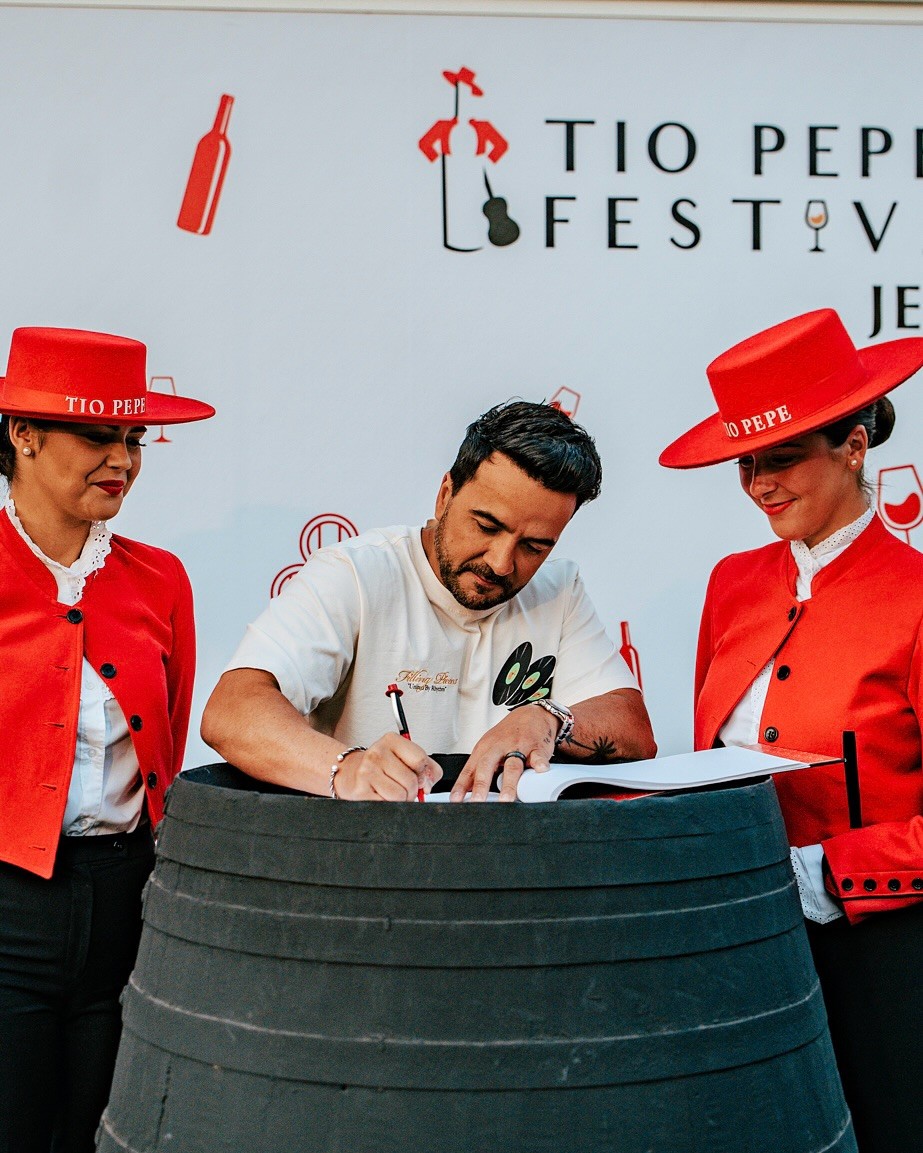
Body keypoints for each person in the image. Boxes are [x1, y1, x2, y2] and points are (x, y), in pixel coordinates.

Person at [659, 307, 923, 1153]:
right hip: (740, 945)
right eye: (746, 463)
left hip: (887, 960)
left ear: (854, 445)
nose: (758, 484)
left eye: (781, 457)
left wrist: (827, 873)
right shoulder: (730, 582)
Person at [202, 399, 656, 803]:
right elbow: (231, 711)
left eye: (534, 546)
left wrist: (548, 718)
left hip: (507, 859)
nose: (501, 563)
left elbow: (634, 730)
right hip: (366, 854)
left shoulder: (559, 589)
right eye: (487, 526)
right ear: (445, 496)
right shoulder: (356, 574)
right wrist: (348, 768)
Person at [0, 327, 214, 1153]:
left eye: (133, 437)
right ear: (23, 433)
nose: (121, 458)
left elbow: (170, 741)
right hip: (10, 900)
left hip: (129, 902)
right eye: (97, 435)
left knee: (107, 1133)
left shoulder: (161, 578)